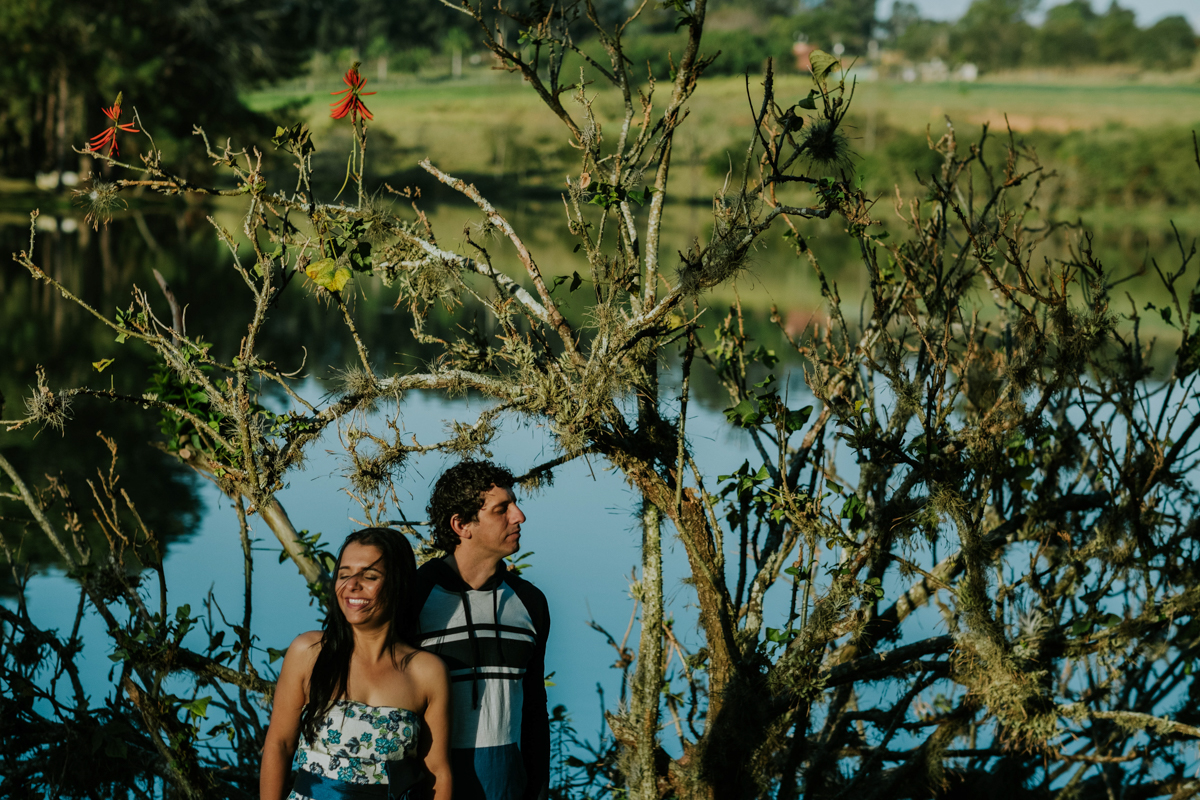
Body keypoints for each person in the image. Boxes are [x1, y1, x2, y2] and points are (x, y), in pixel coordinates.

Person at [261, 528, 452, 800]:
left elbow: (438, 772)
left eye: (370, 576)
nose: (352, 585)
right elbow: (279, 744)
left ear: (398, 583)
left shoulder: (427, 672)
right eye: (344, 574)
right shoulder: (310, 651)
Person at [415, 461, 550, 800]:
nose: (519, 516)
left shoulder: (530, 601)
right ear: (461, 525)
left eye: (514, 505)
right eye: (501, 509)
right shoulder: (414, 597)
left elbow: (534, 706)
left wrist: (537, 789)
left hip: (507, 785)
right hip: (429, 786)